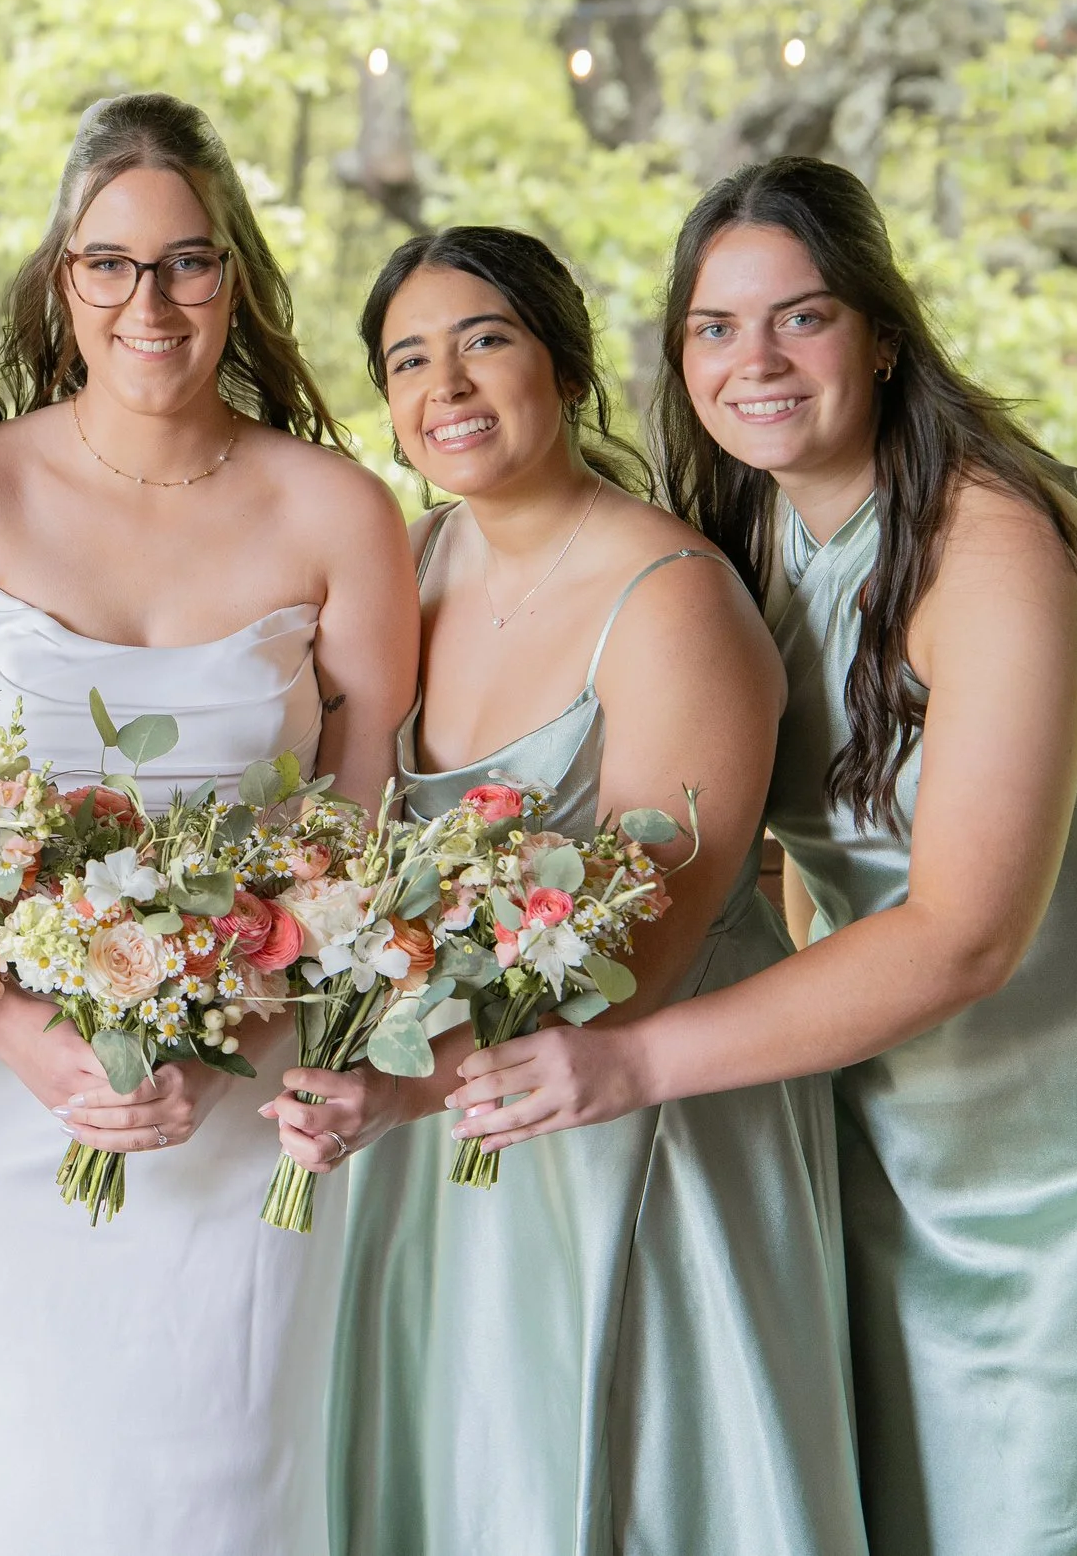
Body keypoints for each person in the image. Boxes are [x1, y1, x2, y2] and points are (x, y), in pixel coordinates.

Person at [449, 157, 1077, 1552]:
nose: (756, 361)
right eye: (715, 328)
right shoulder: (741, 530)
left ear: (885, 334)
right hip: (872, 1121)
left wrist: (631, 1062)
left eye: (803, 317)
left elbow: (967, 929)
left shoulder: (1000, 546)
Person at [0, 92, 419, 1556]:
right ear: (61, 282)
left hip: (239, 1101)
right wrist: (35, 1042)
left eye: (187, 262)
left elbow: (355, 838)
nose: (148, 300)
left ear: (236, 275)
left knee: (221, 1489)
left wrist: (218, 1050)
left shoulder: (342, 511)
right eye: (110, 263)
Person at [266, 226, 864, 1554]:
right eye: (408, 360)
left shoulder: (674, 598)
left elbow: (651, 941)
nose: (448, 388)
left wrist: (415, 1085)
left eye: (485, 341)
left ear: (567, 362)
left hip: (635, 1115)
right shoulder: (408, 569)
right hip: (436, 1117)